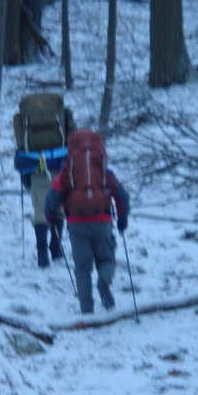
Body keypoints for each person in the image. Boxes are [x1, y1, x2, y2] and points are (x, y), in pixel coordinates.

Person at [44, 128, 130, 314]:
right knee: (107, 259)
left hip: (76, 224)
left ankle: (86, 310)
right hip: (103, 221)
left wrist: (50, 218)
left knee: (82, 268)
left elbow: (52, 200)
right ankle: (104, 282)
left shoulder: (67, 172)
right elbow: (121, 195)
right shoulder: (105, 171)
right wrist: (123, 220)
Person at [13, 95, 75, 268]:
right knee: (59, 208)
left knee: (40, 210)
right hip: (60, 165)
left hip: (35, 167)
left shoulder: (23, 119)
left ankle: (42, 254)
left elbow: (19, 142)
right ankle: (55, 249)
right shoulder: (63, 115)